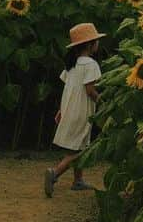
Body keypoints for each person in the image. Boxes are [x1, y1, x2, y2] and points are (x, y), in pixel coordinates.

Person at [43, 21, 104, 196]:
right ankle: (55, 173)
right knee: (81, 149)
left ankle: (78, 181)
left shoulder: (72, 64)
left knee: (77, 146)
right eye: (96, 41)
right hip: (82, 110)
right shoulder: (91, 65)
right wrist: (103, 102)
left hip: (70, 108)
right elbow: (89, 90)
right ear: (91, 44)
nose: (98, 44)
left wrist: (62, 110)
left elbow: (68, 89)